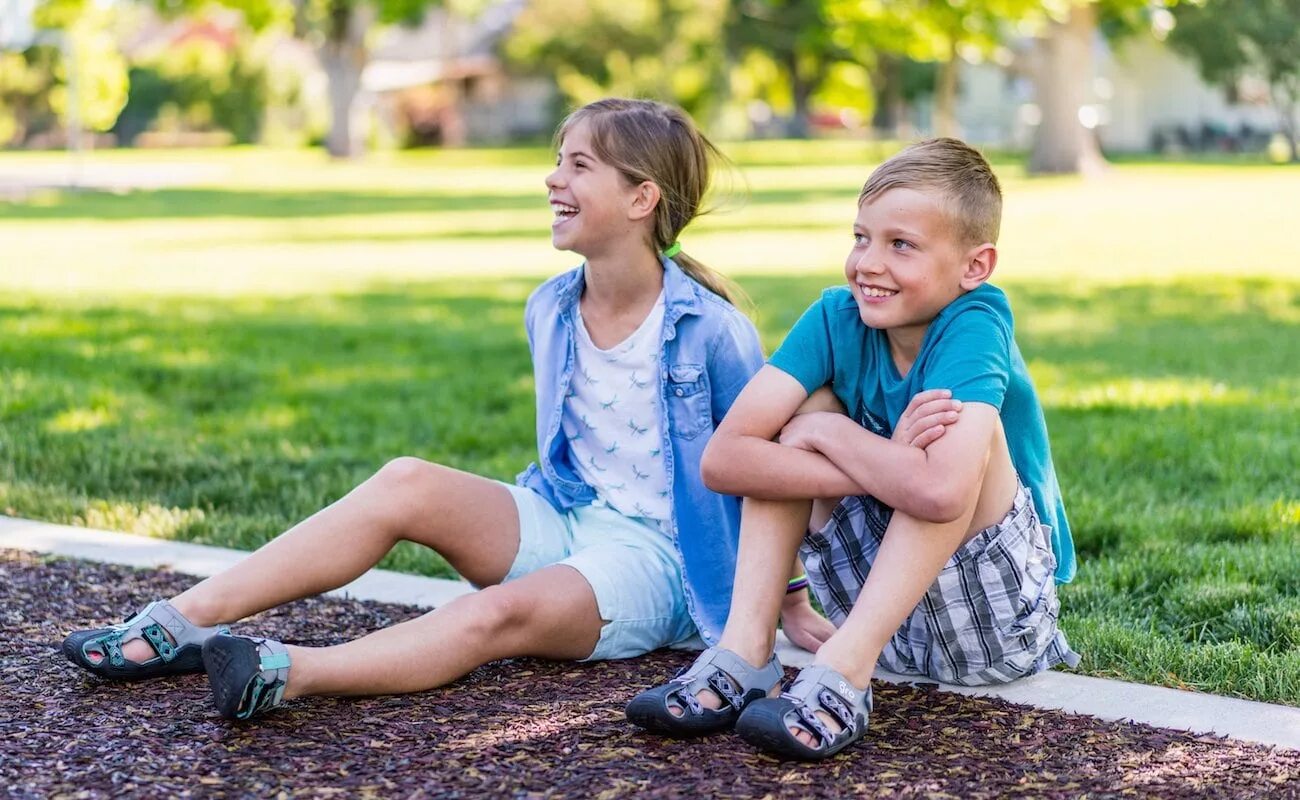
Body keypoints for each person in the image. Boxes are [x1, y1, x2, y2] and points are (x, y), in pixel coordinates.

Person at [62, 98, 799, 722]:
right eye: (558, 160)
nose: (553, 178)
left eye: (579, 165)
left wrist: (785, 600)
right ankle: (186, 620)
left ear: (641, 199)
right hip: (571, 517)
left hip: (666, 563)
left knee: (491, 616)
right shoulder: (551, 307)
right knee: (406, 478)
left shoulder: (711, 330)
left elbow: (768, 468)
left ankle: (287, 671)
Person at [627, 138, 1079, 760]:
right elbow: (723, 461)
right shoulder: (834, 317)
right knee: (798, 412)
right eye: (861, 237)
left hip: (992, 627)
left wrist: (840, 439)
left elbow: (942, 490)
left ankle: (847, 673)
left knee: (964, 436)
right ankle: (744, 653)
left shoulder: (977, 322)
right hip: (871, 609)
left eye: (902, 245)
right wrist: (889, 461)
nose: (868, 262)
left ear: (974, 267)